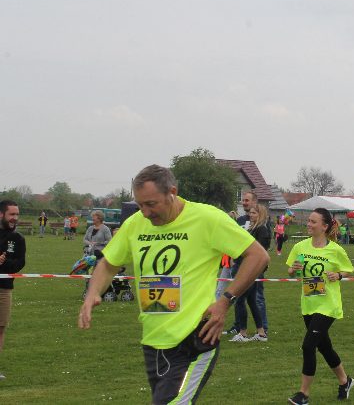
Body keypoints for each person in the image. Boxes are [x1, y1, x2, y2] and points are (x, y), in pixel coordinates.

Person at [79, 165, 269, 405]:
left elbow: (258, 256)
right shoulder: (135, 224)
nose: (145, 212)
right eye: (140, 205)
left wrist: (225, 301)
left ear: (172, 192)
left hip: (194, 339)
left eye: (151, 204)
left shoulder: (206, 218)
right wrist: (92, 293)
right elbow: (109, 264)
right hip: (153, 341)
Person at [286, 207, 354, 405]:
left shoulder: (335, 249)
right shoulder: (300, 247)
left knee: (308, 346)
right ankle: (345, 381)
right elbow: (292, 271)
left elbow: (348, 269)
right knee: (324, 347)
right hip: (309, 303)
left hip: (328, 305)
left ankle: (303, 394)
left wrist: (338, 275)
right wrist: (294, 269)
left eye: (313, 221)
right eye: (308, 220)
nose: (308, 224)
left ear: (324, 226)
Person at [229, 205, 271, 342]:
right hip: (247, 268)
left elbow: (260, 252)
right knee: (252, 301)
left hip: (252, 270)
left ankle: (243, 333)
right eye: (250, 213)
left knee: (240, 299)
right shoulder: (252, 228)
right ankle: (261, 333)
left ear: (260, 215)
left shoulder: (262, 230)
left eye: (254, 213)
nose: (251, 215)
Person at [0, 200, 26, 381]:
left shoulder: (18, 239)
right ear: (1, 214)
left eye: (17, 214)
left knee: (0, 329)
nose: (15, 218)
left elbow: (19, 263)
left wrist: (4, 263)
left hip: (4, 289)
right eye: (12, 214)